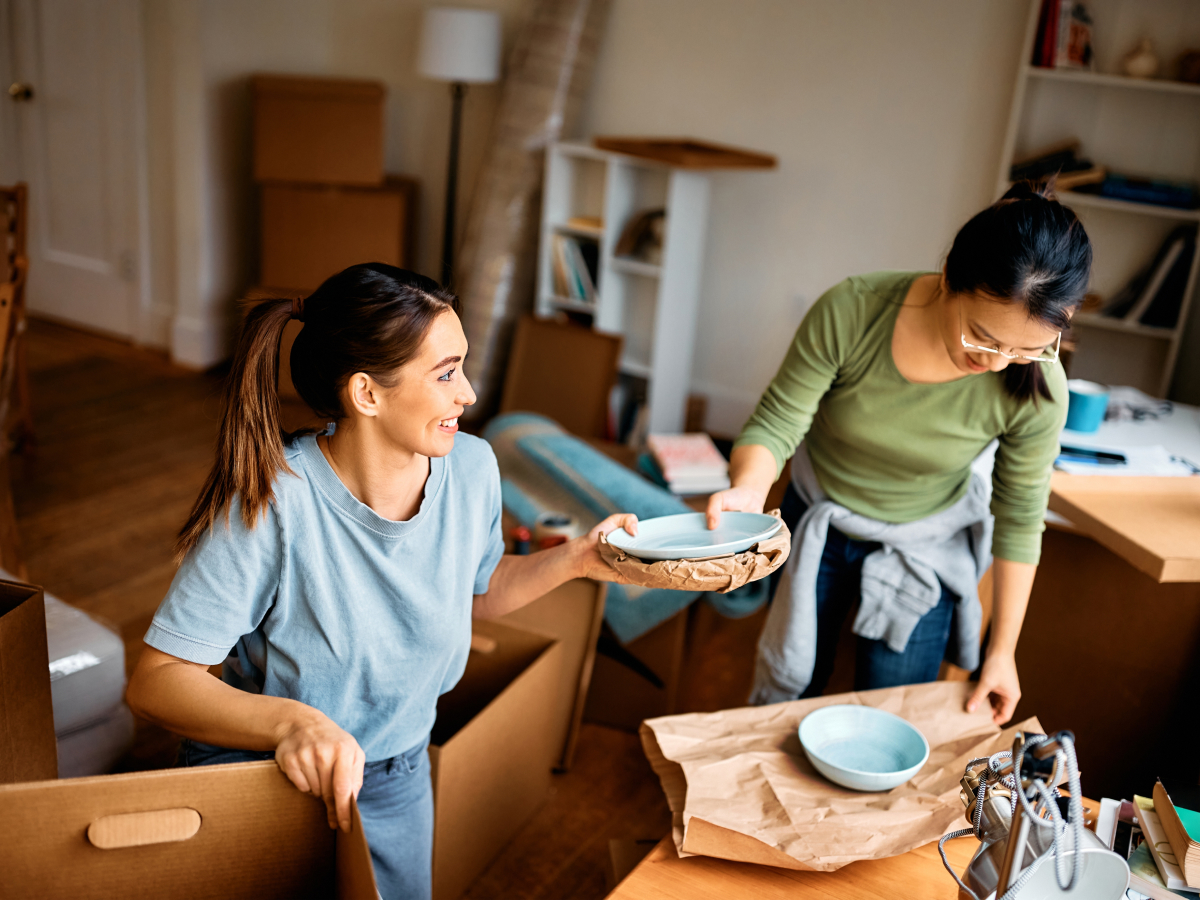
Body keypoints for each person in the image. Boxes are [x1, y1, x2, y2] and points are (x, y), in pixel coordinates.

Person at [126, 264, 635, 900]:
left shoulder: (473, 468)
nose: (469, 394)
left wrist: (580, 558)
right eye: (446, 373)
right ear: (367, 394)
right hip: (262, 773)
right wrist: (292, 726)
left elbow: (476, 593)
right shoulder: (273, 500)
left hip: (396, 771)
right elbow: (156, 682)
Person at [705, 181, 1091, 724]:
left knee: (890, 712)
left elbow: (1021, 518)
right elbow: (777, 422)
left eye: (1027, 350)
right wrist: (749, 488)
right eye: (983, 338)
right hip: (820, 513)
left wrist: (1001, 654)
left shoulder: (1041, 389)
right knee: (793, 696)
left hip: (924, 542)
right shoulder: (854, 310)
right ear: (950, 277)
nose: (1000, 364)